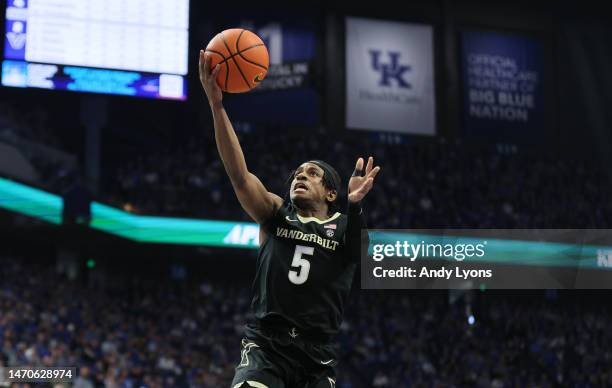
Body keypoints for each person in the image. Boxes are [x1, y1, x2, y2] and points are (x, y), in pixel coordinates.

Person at [199, 50, 380, 388]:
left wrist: (355, 205)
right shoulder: (275, 213)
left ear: (330, 194)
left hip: (316, 355)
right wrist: (217, 106)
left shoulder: (344, 225)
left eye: (312, 174)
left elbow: (360, 256)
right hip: (266, 346)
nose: (300, 176)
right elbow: (239, 176)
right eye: (297, 173)